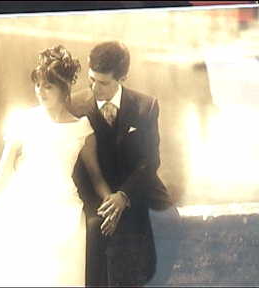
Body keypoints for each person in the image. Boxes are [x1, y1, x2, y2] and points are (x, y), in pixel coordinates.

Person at [0, 45, 114, 287]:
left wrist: (112, 201)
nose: (41, 91)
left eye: (48, 86)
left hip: (64, 212)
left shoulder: (82, 129)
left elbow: (96, 176)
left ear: (64, 88)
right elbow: (4, 169)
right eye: (38, 84)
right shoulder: (24, 120)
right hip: (23, 204)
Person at [71, 41, 175, 287]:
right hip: (94, 189)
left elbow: (150, 160)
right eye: (91, 80)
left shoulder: (145, 106)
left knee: (170, 222)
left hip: (136, 187)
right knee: (100, 233)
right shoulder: (74, 106)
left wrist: (124, 195)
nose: (95, 88)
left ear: (123, 77)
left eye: (103, 83)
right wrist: (106, 198)